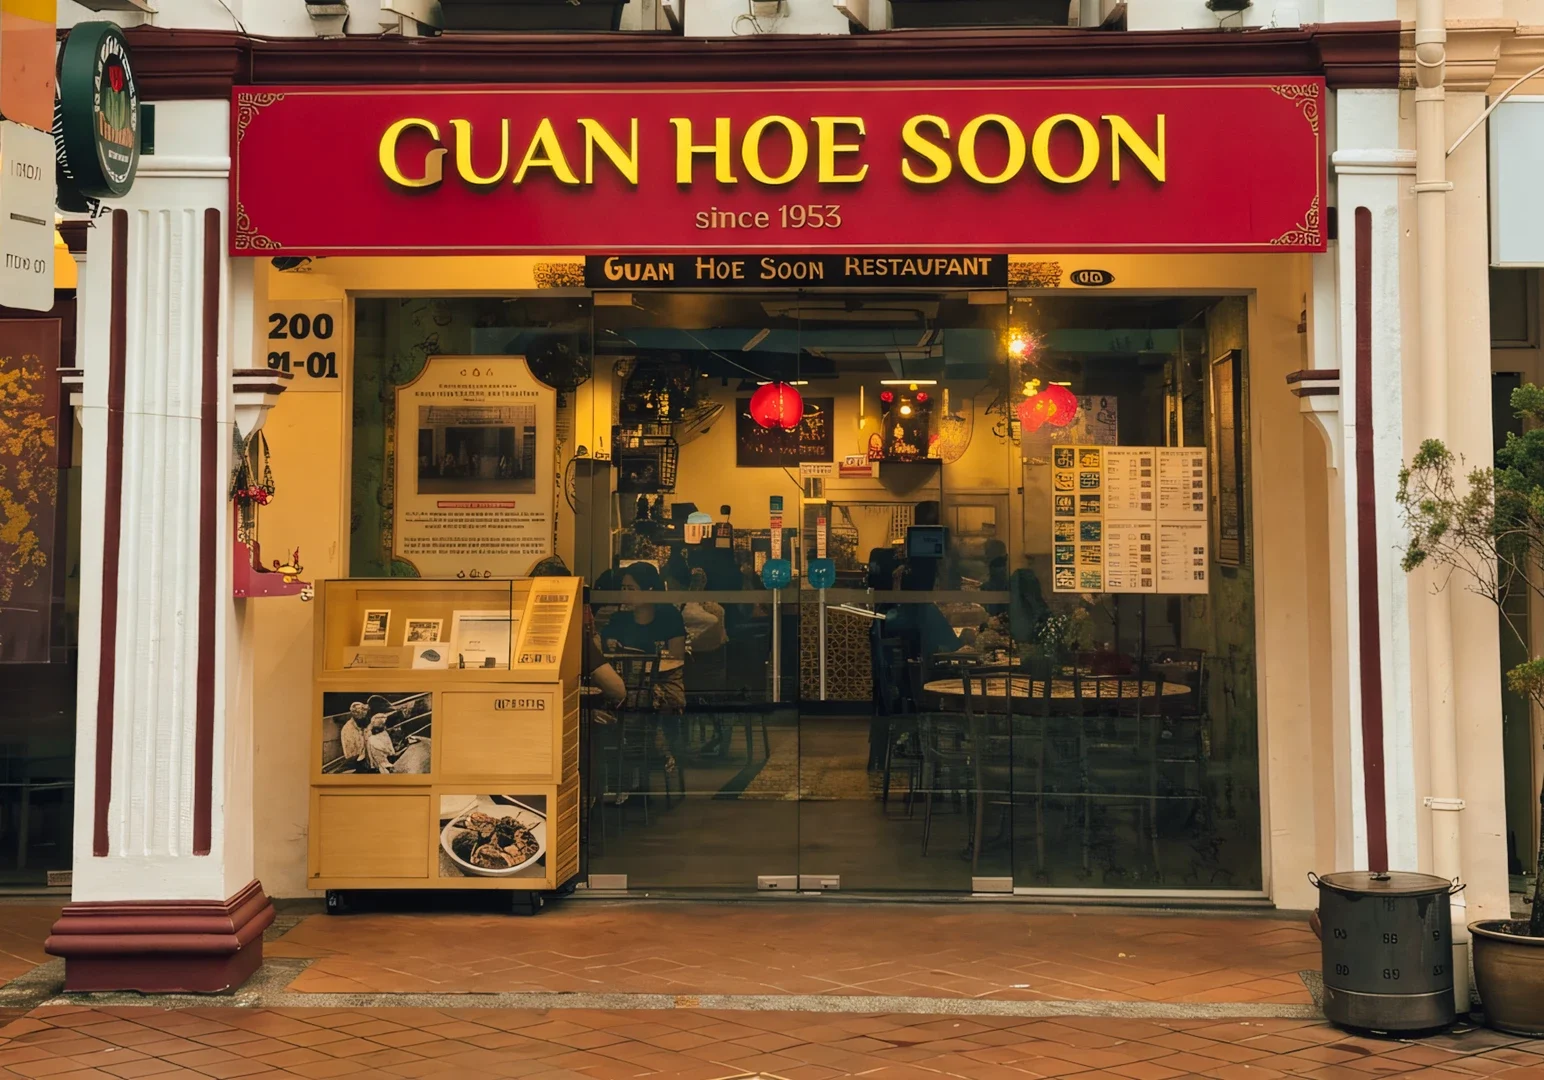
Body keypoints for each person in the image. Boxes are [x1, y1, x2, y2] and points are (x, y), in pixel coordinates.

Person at [339, 701, 370, 773]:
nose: (365, 719)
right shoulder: (348, 730)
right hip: (358, 764)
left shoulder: (363, 723)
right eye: (363, 717)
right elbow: (351, 757)